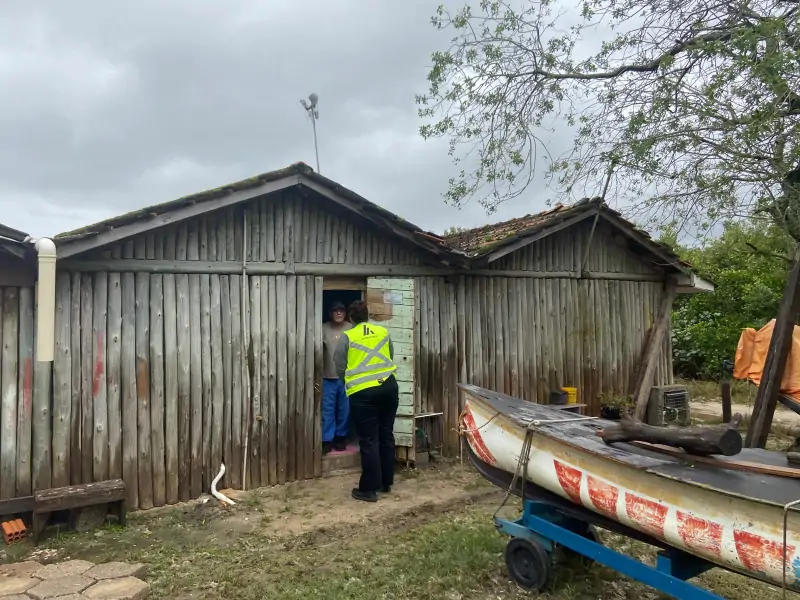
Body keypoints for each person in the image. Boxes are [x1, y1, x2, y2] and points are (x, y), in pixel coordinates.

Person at [334, 300, 399, 502]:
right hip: (389, 387)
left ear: (351, 318)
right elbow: (391, 355)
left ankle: (369, 489)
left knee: (369, 440)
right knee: (386, 434)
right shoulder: (382, 332)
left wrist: (349, 382)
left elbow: (339, 364)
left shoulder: (348, 336)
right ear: (367, 315)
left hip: (363, 394)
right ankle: (386, 482)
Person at [322, 301, 353, 454]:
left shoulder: (351, 328)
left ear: (345, 313)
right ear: (330, 314)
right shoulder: (323, 328)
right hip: (327, 376)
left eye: (341, 310)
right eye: (335, 311)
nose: (339, 313)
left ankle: (341, 436)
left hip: (346, 377)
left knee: (344, 409)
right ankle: (327, 439)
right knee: (327, 410)